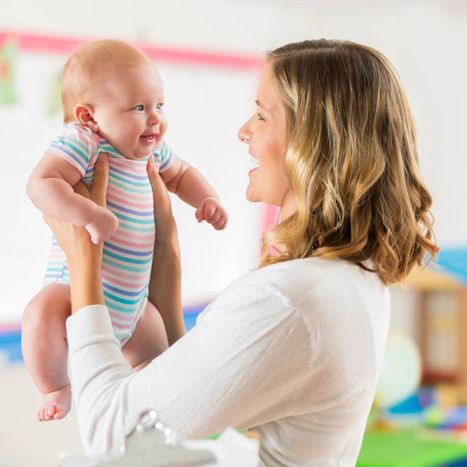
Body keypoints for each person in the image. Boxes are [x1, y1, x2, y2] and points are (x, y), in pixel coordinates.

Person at [45, 39, 438, 466]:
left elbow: (113, 435)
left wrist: (85, 261)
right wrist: (167, 268)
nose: (244, 131)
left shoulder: (291, 301)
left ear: (313, 142)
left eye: (262, 115)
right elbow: (198, 401)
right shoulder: (344, 279)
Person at [21, 39, 228, 422]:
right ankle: (55, 387)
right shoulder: (84, 142)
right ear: (89, 116)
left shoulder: (151, 150)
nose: (155, 119)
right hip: (72, 292)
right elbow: (41, 183)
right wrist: (88, 214)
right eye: (138, 108)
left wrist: (206, 199)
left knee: (160, 363)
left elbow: (181, 174)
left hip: (134, 304)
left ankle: (152, 408)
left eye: (159, 105)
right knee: (39, 314)